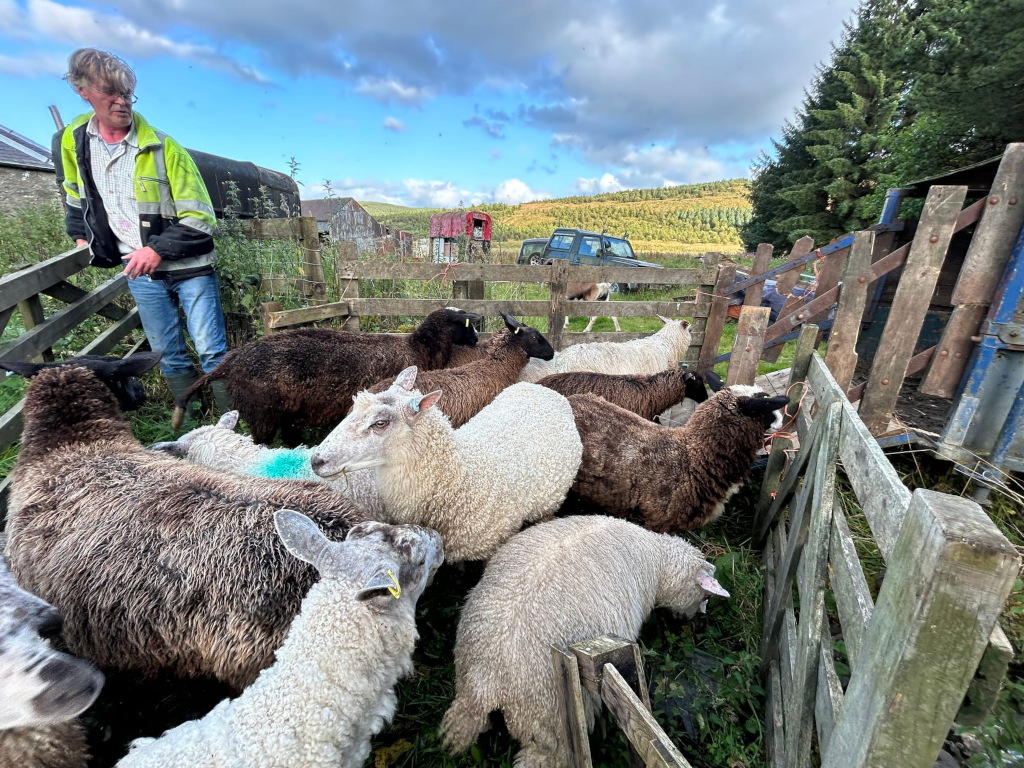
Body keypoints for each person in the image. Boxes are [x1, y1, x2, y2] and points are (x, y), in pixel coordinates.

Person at [60, 47, 231, 418]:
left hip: (190, 266)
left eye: (127, 94)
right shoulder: (74, 142)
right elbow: (75, 196)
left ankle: (233, 422)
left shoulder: (163, 146)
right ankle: (188, 421)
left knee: (211, 349)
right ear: (83, 90)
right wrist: (81, 237)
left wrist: (157, 249)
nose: (121, 102)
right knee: (166, 352)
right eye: (110, 92)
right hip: (138, 269)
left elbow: (201, 217)